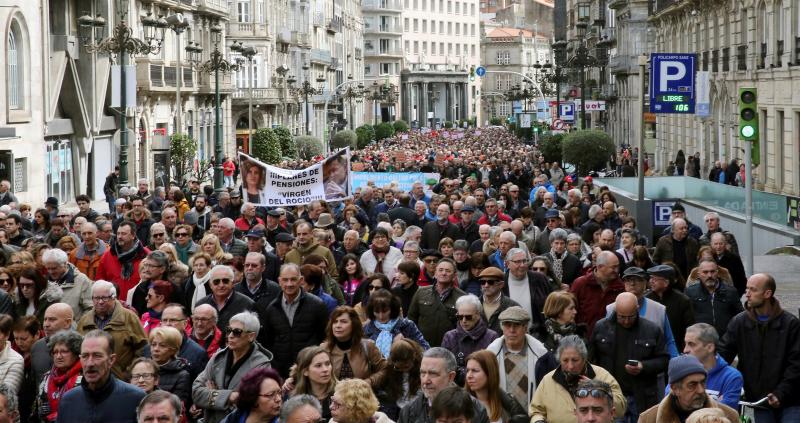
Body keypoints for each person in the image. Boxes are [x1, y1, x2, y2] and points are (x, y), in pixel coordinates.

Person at [719, 273, 800, 422]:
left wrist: (780, 393)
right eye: (746, 289)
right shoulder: (739, 322)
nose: (747, 294)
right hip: (760, 401)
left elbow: (796, 365)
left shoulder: (790, 324)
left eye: (753, 290)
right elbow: (723, 355)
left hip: (791, 399)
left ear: (767, 293)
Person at [589, 292, 670, 422]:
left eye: (630, 317)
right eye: (622, 317)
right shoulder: (601, 328)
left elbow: (664, 360)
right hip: (610, 394)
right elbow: (591, 359)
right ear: (615, 311)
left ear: (637, 309)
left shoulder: (651, 329)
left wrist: (644, 366)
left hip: (641, 396)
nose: (626, 321)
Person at [191, 312, 273, 423]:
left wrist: (214, 395)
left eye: (237, 332)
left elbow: (251, 404)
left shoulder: (262, 365)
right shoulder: (217, 358)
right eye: (229, 330)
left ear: (251, 336)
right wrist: (230, 396)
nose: (230, 335)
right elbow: (196, 392)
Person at [529, 335, 626, 423]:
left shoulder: (602, 375)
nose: (570, 366)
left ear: (584, 359)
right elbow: (536, 411)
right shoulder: (548, 380)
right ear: (559, 360)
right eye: (565, 360)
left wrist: (599, 388)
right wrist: (538, 421)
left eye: (575, 360)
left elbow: (621, 409)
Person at [55, 330, 146, 423]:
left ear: (111, 360)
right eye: (85, 356)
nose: (90, 363)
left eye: (97, 355)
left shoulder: (135, 399)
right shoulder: (68, 401)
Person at [256, 263, 328, 378]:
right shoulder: (271, 308)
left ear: (301, 280)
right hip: (281, 372)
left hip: (309, 369)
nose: (289, 284)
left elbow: (324, 336)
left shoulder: (317, 305)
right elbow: (268, 341)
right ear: (279, 281)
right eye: (285, 280)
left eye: (293, 279)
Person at [76, 280, 148, 378]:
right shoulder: (84, 321)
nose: (100, 302)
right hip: (92, 378)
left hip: (121, 380)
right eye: (96, 298)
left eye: (105, 298)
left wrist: (129, 373)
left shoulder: (129, 318)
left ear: (114, 298)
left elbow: (142, 348)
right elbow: (77, 350)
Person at [397, 347, 489, 423]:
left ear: (451, 377)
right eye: (423, 373)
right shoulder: (408, 412)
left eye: (433, 374)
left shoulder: (476, 410)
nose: (425, 380)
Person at [638, 355, 739, 423]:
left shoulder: (729, 416)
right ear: (675, 389)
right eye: (692, 385)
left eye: (703, 382)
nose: (700, 390)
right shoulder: (648, 419)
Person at [668, 323, 743, 409]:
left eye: (691, 344)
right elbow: (669, 403)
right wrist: (714, 403)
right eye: (685, 344)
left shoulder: (731, 376)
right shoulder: (680, 370)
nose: (685, 350)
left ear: (710, 347)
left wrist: (688, 403)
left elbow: (725, 413)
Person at [608, 266, 679, 357]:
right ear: (624, 284)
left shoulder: (659, 309)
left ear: (645, 283)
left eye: (637, 279)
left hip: (653, 362)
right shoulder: (611, 308)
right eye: (628, 280)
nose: (632, 283)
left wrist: (674, 360)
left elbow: (669, 340)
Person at [485, 306, 549, 408]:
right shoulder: (490, 354)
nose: (512, 330)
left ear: (525, 328)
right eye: (507, 325)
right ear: (502, 327)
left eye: (517, 325)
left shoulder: (541, 354)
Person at [320, 306, 387, 388]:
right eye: (335, 322)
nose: (338, 325)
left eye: (343, 322)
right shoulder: (324, 349)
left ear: (354, 324)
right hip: (333, 397)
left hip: (363, 397)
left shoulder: (368, 346)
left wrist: (369, 381)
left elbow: (385, 369)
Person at [408, 258, 467, 347]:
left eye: (447, 271)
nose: (443, 273)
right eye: (440, 270)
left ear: (454, 276)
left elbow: (464, 326)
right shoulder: (421, 292)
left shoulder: (462, 297)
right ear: (435, 273)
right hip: (421, 346)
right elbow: (411, 319)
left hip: (450, 347)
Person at [441, 294, 498, 383]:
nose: (464, 320)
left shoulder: (491, 337)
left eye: (468, 317)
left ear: (478, 315)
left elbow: (492, 369)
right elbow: (445, 368)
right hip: (456, 389)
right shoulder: (449, 336)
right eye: (460, 317)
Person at [570, 251, 625, 336]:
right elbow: (570, 311)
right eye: (613, 267)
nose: (617, 270)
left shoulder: (620, 287)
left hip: (610, 340)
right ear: (600, 267)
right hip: (584, 339)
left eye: (618, 266)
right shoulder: (581, 284)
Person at [684, 259, 743, 338]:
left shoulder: (730, 292)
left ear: (717, 273)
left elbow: (739, 316)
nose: (709, 275)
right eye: (705, 272)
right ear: (699, 274)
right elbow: (686, 320)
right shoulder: (690, 292)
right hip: (701, 341)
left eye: (712, 271)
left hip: (726, 340)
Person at [464, 349, 527, 422]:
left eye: (475, 370)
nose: (469, 375)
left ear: (490, 373)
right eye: (467, 371)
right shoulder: (461, 404)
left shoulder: (504, 403)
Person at [362, 289, 429, 357]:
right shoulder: (366, 329)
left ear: (392, 308)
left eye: (385, 311)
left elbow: (425, 350)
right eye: (377, 312)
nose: (381, 316)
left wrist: (404, 345)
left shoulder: (407, 325)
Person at [502, 248, 552, 338]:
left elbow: (551, 304)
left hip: (538, 335)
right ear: (507, 264)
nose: (522, 265)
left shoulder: (540, 279)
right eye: (517, 262)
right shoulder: (501, 283)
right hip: (510, 336)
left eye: (525, 261)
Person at [96, 221, 150, 303]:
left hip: (140, 303)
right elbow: (100, 281)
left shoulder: (146, 255)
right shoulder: (108, 255)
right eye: (118, 234)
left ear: (133, 235)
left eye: (124, 234)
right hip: (114, 304)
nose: (120, 237)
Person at [194, 265, 255, 336]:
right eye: (216, 282)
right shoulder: (201, 304)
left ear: (232, 283)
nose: (221, 285)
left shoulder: (247, 304)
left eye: (225, 281)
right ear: (210, 285)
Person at [42, 248, 94, 320]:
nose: (50, 272)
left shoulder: (81, 280)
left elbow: (90, 309)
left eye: (54, 268)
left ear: (65, 264)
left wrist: (78, 327)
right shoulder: (44, 281)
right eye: (48, 268)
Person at [288, 346, 337, 421]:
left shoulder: (341, 393)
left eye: (327, 364)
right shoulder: (295, 398)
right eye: (318, 365)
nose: (325, 369)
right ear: (305, 371)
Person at [148, 326, 192, 405]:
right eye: (153, 344)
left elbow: (177, 405)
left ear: (173, 350)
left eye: (162, 345)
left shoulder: (182, 375)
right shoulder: (142, 368)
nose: (156, 349)